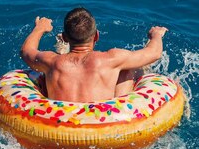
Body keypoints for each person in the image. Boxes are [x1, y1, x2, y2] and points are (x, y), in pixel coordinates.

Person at [20, 7, 168, 103]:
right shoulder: (110, 59)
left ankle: (63, 50)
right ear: (96, 36)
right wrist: (156, 35)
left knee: (49, 72)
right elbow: (154, 53)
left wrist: (40, 28)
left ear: (65, 37)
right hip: (105, 134)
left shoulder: (51, 61)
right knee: (129, 68)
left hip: (60, 133)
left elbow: (26, 51)